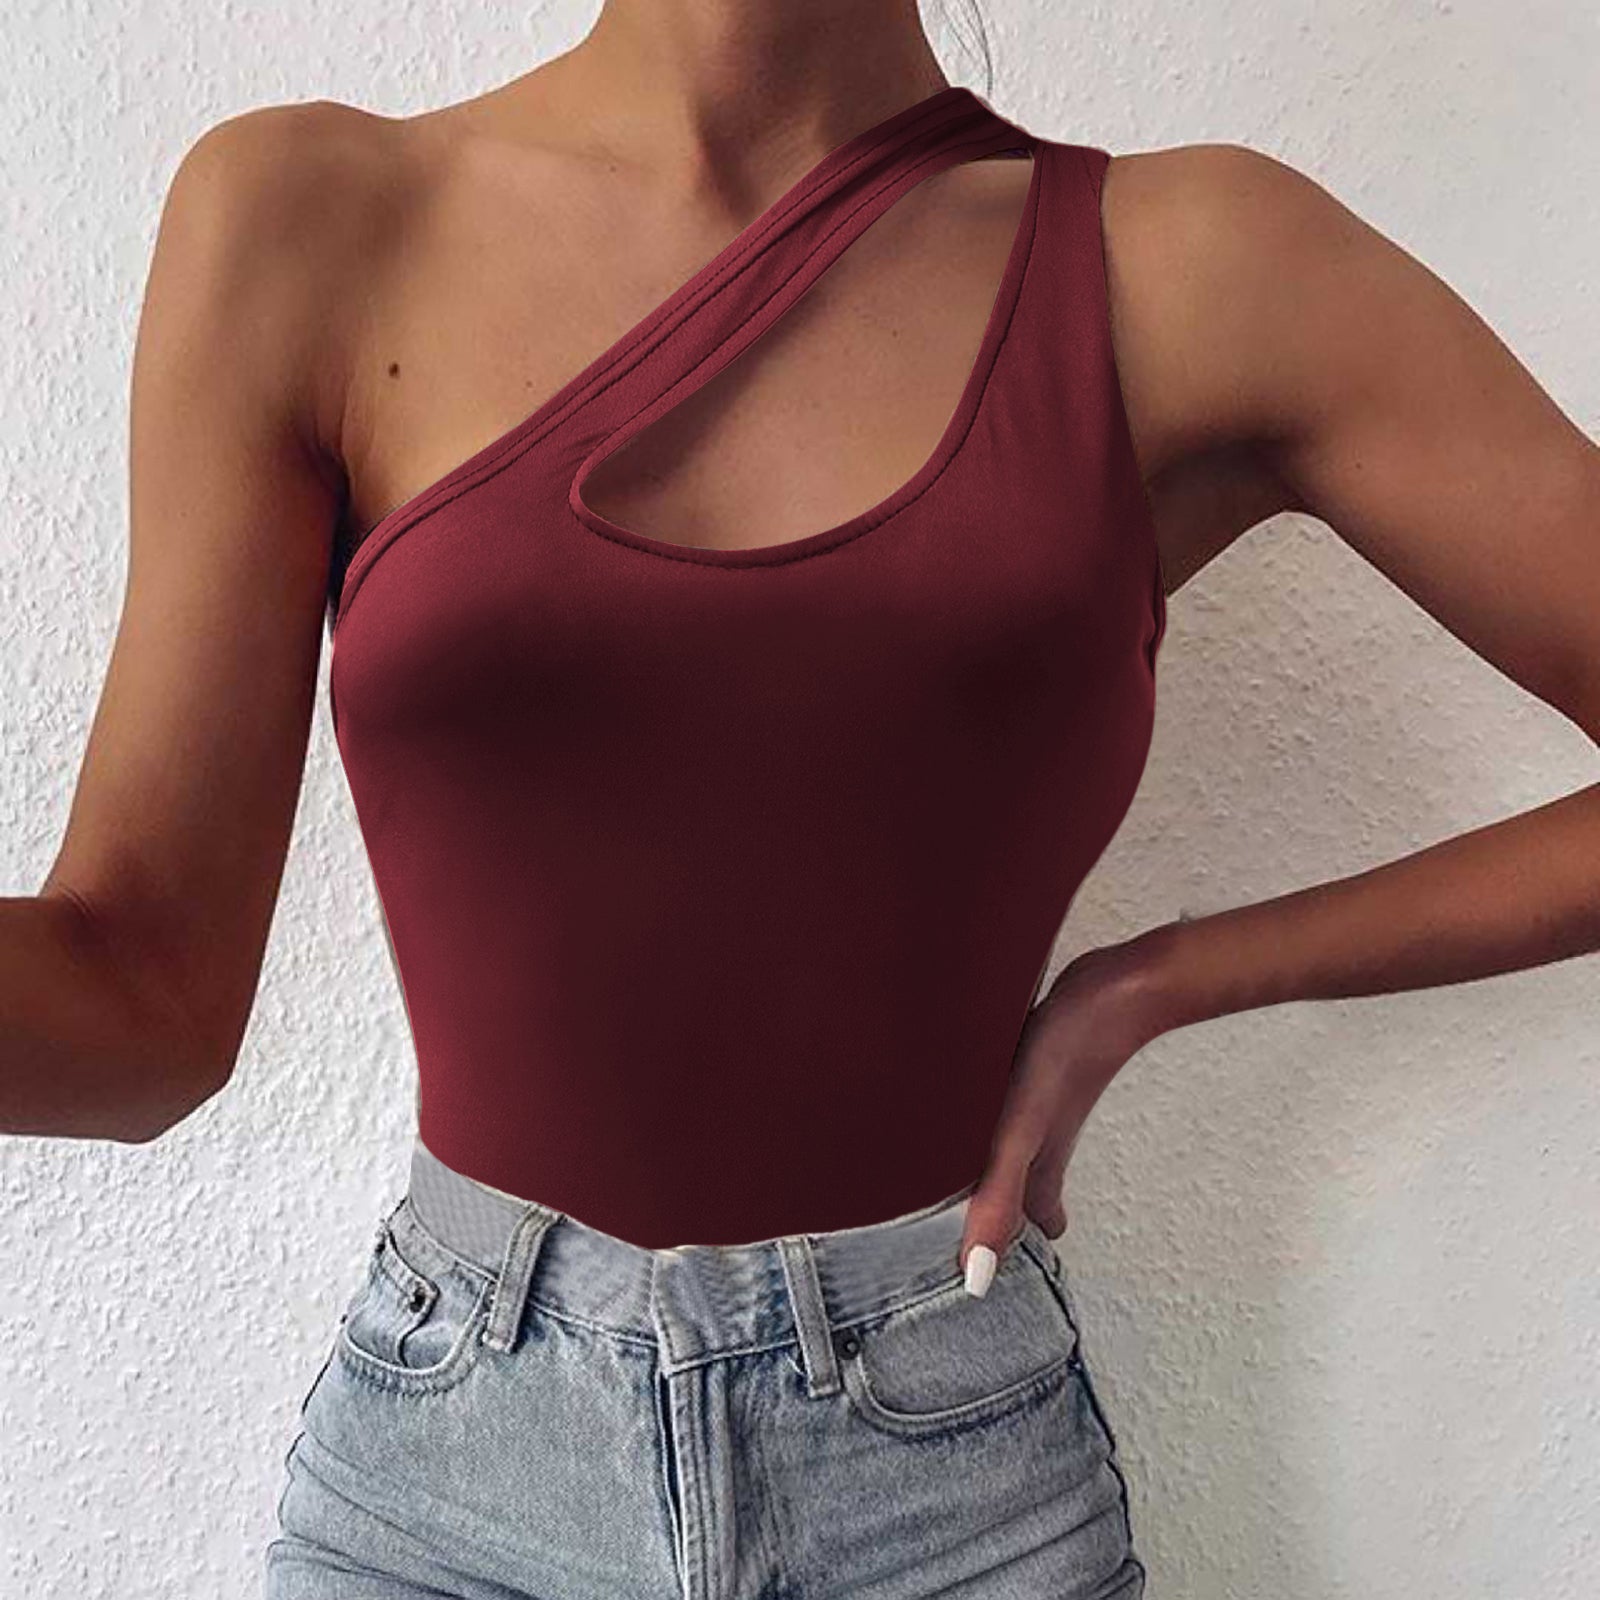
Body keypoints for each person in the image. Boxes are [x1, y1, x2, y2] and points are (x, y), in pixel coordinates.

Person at [6, 0, 1597, 1594]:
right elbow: (144, 1008)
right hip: (447, 1492)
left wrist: (1164, 976)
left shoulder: (1191, 266)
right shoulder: (307, 221)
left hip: (949, 1494)